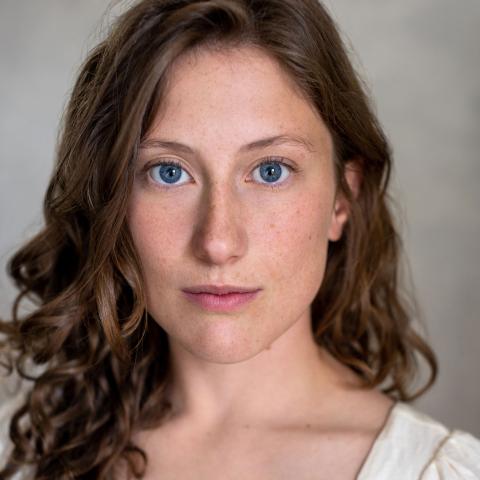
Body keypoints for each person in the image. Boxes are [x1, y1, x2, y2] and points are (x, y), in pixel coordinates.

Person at [0, 0, 479, 478]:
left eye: (271, 171)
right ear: (111, 201)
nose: (218, 243)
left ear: (342, 199)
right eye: (169, 172)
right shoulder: (19, 448)